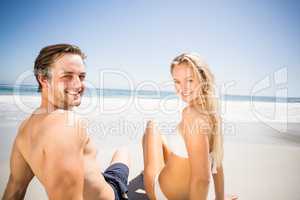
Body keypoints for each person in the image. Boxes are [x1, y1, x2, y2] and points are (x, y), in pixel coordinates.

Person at [2, 44, 130, 200]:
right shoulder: (68, 124)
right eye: (67, 76)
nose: (78, 85)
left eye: (81, 76)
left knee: (123, 152)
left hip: (103, 180)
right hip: (112, 194)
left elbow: (15, 189)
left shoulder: (25, 128)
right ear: (43, 79)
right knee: (124, 154)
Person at [142, 53, 238, 200]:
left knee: (151, 126)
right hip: (184, 191)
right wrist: (220, 198)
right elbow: (216, 163)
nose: (183, 88)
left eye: (190, 80)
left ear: (203, 79)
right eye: (177, 82)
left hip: (161, 193)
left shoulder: (191, 115)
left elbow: (202, 180)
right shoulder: (212, 114)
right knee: (165, 141)